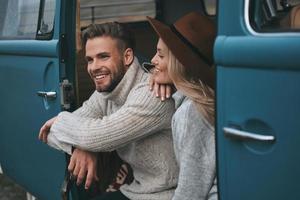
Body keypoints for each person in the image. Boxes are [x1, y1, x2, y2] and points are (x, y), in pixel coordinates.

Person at [39, 22, 179, 200]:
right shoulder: (107, 92)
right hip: (137, 191)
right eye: (90, 60)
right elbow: (49, 134)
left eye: (103, 57)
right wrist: (84, 146)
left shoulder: (153, 93)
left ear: (127, 56)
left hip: (169, 195)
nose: (94, 67)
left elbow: (93, 135)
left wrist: (61, 121)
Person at [147, 12, 218, 200]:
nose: (153, 60)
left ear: (179, 64)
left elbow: (190, 191)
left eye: (161, 55)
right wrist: (164, 78)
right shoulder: (203, 99)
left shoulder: (190, 113)